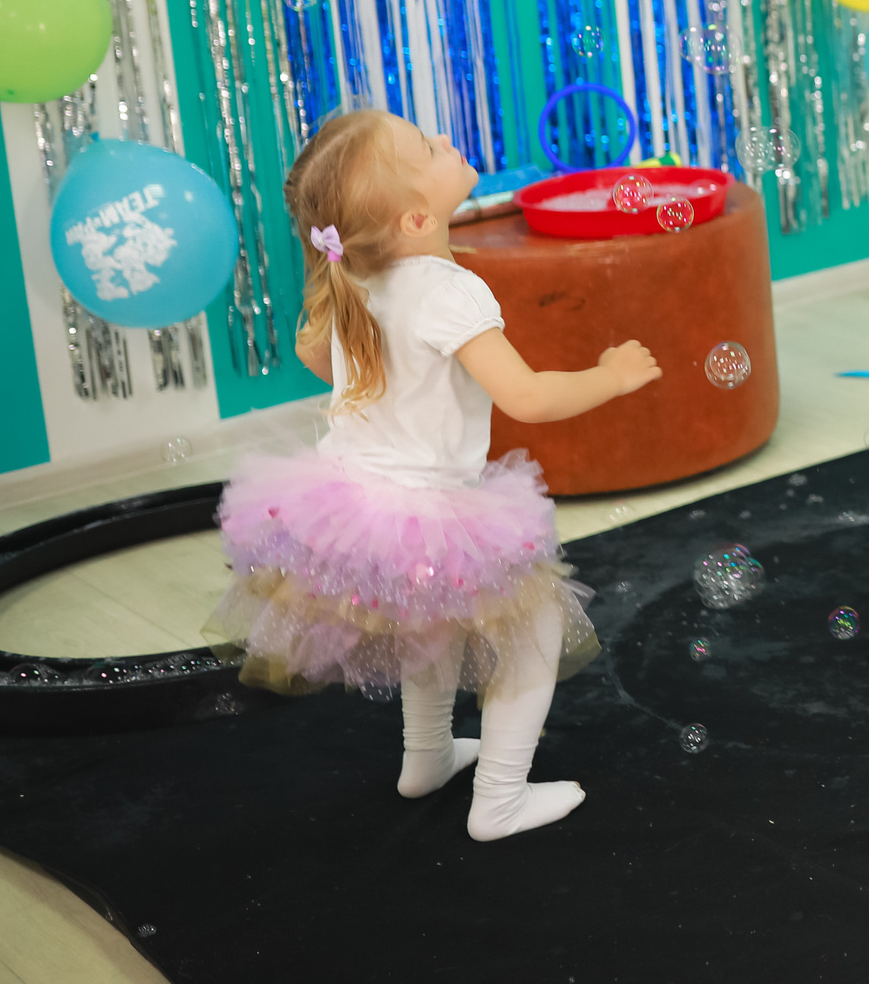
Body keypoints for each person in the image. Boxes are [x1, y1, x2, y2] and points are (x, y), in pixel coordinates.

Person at [207, 110, 660, 842]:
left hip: (352, 505)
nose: (448, 139)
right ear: (418, 216)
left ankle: (427, 756)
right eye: (427, 146)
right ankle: (501, 798)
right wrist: (610, 375)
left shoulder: (354, 276)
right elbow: (529, 397)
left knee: (425, 623)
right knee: (533, 631)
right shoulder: (450, 291)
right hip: (433, 509)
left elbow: (320, 360)